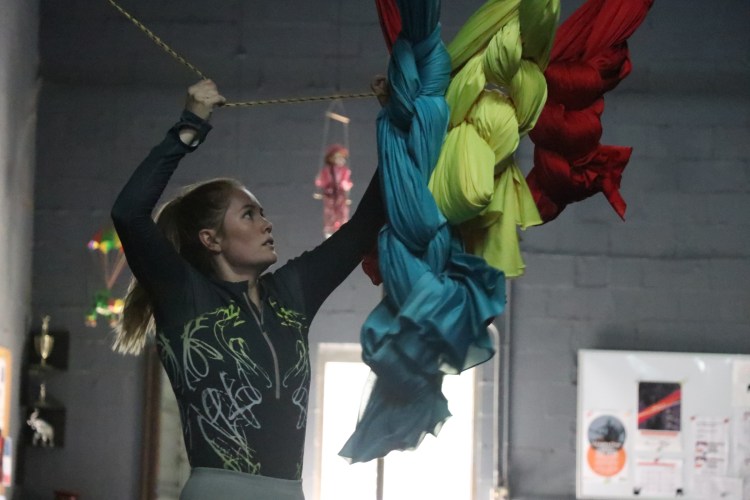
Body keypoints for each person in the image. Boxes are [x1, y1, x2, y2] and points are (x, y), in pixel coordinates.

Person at [111, 79, 385, 499]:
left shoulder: (291, 295)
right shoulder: (185, 296)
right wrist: (189, 126)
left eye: (262, 213)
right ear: (211, 239)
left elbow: (362, 227)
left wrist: (396, 121)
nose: (266, 223)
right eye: (249, 215)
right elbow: (129, 213)